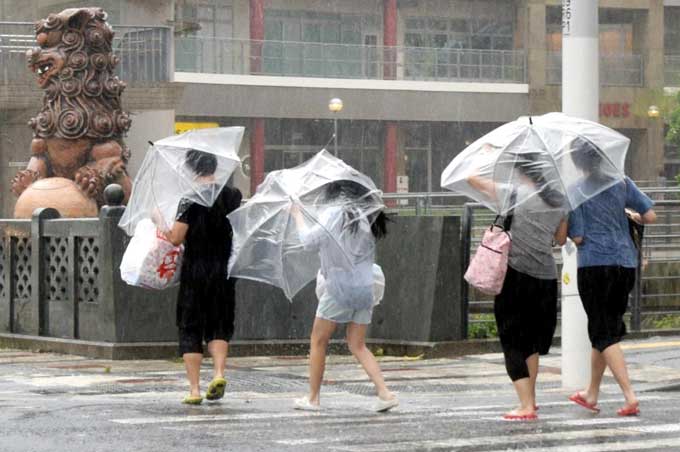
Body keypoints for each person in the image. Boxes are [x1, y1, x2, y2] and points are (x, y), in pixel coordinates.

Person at [468, 151, 568, 421]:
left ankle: (525, 406)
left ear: (521, 172)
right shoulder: (558, 200)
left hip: (515, 277)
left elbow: (471, 178)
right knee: (532, 343)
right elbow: (560, 239)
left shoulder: (513, 193)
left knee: (512, 341)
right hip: (546, 279)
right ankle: (530, 400)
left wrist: (487, 155)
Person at [291, 180, 398, 412]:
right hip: (365, 286)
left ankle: (313, 398)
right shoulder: (365, 215)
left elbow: (308, 242)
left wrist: (297, 215)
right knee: (358, 344)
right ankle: (384, 392)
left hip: (339, 287)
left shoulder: (333, 213)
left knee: (318, 341)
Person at [567, 139, 656, 417]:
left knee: (603, 331)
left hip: (594, 265)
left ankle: (630, 396)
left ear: (578, 163)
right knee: (606, 329)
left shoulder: (576, 191)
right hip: (625, 263)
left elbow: (579, 236)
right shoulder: (621, 182)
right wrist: (630, 216)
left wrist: (566, 231)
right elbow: (650, 215)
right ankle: (591, 393)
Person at [162, 149, 243, 405]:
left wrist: (159, 223)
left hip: (195, 271)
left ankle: (195, 390)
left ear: (192, 169)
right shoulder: (232, 196)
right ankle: (218, 373)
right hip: (223, 270)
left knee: (191, 327)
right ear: (214, 166)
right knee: (219, 324)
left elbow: (176, 237)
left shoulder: (189, 198)